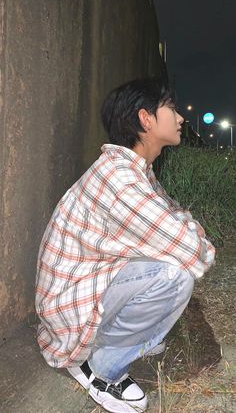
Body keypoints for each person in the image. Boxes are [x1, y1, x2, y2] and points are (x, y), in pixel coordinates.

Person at [35, 77, 215, 413]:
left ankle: (122, 339)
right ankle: (100, 368)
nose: (180, 118)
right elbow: (193, 249)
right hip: (72, 307)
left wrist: (183, 230)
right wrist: (188, 234)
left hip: (92, 284)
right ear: (146, 119)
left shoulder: (137, 170)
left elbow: (175, 217)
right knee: (174, 274)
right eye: (172, 109)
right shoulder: (120, 178)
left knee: (168, 260)